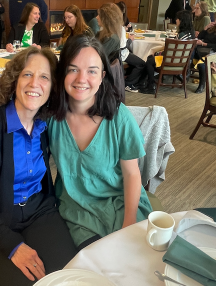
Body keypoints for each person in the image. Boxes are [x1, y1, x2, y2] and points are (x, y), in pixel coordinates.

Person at [0, 47, 77, 286]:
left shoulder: (45, 125)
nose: (35, 83)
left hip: (39, 212)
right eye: (27, 74)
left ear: (52, 86)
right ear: (14, 80)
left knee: (72, 274)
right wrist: (12, 246)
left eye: (44, 77)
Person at [47, 35, 153, 250]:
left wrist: (128, 224)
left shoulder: (118, 116)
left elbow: (132, 174)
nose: (81, 79)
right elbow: (22, 112)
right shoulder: (51, 115)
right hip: (77, 207)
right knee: (96, 264)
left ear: (103, 76)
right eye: (73, 69)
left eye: (92, 71)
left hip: (121, 202)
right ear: (62, 72)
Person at [193, 25, 216, 93]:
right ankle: (184, 74)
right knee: (190, 52)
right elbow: (199, 37)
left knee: (202, 64)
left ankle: (202, 85)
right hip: (202, 50)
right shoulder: (212, 28)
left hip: (213, 52)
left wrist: (203, 44)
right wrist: (205, 28)